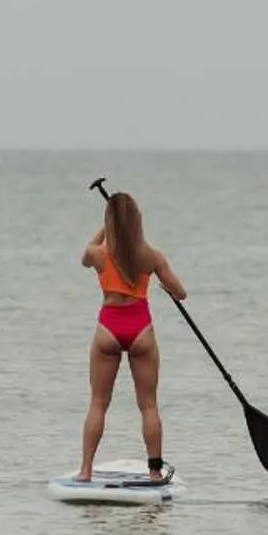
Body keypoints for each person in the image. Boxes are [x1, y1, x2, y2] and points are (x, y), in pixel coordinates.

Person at [77, 189, 187, 482]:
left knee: (98, 403)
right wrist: (161, 281)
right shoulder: (150, 256)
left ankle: (86, 471)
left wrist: (107, 229)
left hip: (108, 329)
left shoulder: (98, 254)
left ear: (109, 222)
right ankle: (154, 473)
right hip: (141, 330)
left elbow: (85, 257)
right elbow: (181, 293)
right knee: (148, 405)